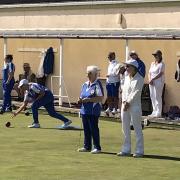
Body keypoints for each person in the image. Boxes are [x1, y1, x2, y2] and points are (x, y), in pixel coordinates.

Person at [117, 59, 144, 158]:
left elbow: (136, 92)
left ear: (134, 68)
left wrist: (128, 102)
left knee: (137, 128)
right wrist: (124, 102)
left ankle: (139, 151)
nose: (126, 68)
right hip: (125, 105)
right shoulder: (126, 77)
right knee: (125, 128)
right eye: (126, 66)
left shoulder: (140, 78)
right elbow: (123, 91)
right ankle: (126, 149)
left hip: (135, 106)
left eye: (128, 66)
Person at [77, 65, 104, 154]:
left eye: (90, 74)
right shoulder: (84, 84)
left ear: (95, 74)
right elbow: (82, 95)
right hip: (84, 110)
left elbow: (100, 98)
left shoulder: (97, 84)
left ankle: (97, 147)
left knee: (93, 129)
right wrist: (80, 99)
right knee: (86, 129)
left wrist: (89, 100)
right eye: (87, 73)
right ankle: (87, 146)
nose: (88, 75)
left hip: (93, 111)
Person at [148, 50, 165, 118]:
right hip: (151, 82)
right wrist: (149, 79)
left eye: (156, 55)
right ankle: (154, 111)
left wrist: (153, 79)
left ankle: (158, 112)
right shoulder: (152, 63)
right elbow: (149, 72)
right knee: (152, 96)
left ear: (160, 55)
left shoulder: (162, 64)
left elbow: (160, 73)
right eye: (154, 55)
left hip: (158, 82)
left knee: (157, 96)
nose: (155, 56)